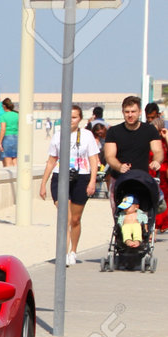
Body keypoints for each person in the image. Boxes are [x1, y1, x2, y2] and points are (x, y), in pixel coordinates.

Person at [38, 104, 100, 266]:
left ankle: (73, 250)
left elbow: (93, 160)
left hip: (81, 177)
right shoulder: (58, 136)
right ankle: (63, 253)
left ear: (80, 119)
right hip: (61, 177)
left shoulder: (87, 136)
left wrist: (93, 181)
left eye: (74, 117)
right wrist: (43, 183)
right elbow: (52, 160)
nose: (71, 121)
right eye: (68, 117)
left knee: (75, 219)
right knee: (64, 218)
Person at [103, 95, 165, 199]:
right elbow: (109, 156)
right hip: (119, 179)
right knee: (120, 214)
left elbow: (158, 151)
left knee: (143, 213)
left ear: (140, 112)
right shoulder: (113, 131)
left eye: (133, 111)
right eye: (127, 112)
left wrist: (157, 161)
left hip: (143, 179)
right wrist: (119, 166)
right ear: (123, 112)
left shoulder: (150, 130)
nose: (130, 115)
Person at [0, 98, 19, 167]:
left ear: (4, 106)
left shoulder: (3, 116)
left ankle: (11, 177)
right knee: (15, 159)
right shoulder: (17, 115)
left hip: (7, 138)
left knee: (8, 161)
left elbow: (3, 129)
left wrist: (0, 142)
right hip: (16, 137)